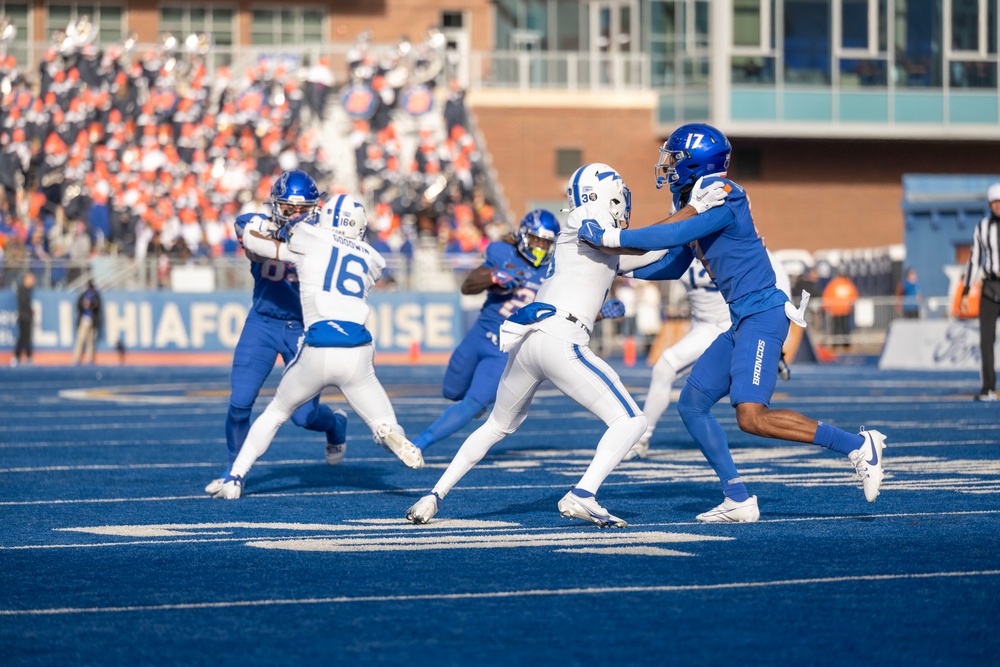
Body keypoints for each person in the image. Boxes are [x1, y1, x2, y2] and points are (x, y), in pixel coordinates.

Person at [577, 123, 887, 523]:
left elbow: (667, 235)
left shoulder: (723, 193)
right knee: (692, 404)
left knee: (751, 416)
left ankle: (859, 446)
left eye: (674, 158)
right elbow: (674, 263)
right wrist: (619, 271)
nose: (668, 166)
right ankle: (738, 498)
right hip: (742, 317)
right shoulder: (696, 198)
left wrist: (609, 240)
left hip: (762, 314)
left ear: (696, 160)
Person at [405, 163, 657, 528]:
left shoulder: (595, 242)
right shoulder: (592, 215)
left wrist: (696, 233)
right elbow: (640, 241)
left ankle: (434, 495)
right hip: (560, 338)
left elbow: (660, 253)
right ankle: (583, 494)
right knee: (632, 420)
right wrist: (689, 220)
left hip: (529, 341)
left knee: (495, 425)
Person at [211, 194, 424, 499]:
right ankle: (390, 434)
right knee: (384, 421)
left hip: (317, 342)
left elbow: (258, 243)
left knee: (275, 412)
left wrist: (278, 230)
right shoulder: (373, 257)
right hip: (358, 348)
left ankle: (236, 475)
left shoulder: (310, 238)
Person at [204, 171, 350, 496]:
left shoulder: (325, 237)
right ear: (276, 206)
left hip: (303, 329)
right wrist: (283, 238)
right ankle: (233, 471)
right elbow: (245, 226)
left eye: (302, 209)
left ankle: (336, 424)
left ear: (315, 208)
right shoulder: (260, 223)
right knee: (240, 402)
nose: (296, 215)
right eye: (288, 208)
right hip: (263, 323)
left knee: (303, 416)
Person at [410, 209, 561, 451]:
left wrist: (599, 313)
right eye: (537, 240)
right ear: (524, 235)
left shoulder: (551, 272)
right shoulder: (502, 252)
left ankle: (418, 444)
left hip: (506, 349)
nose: (541, 247)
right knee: (451, 391)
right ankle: (473, 402)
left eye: (547, 242)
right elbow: (468, 287)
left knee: (473, 402)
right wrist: (495, 276)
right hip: (479, 335)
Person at [961, 183, 1000, 402]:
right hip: (990, 287)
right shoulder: (982, 227)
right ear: (989, 204)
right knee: (986, 340)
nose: (998, 206)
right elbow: (974, 260)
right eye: (995, 202)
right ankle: (988, 387)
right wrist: (966, 291)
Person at [821, 273, 858, 349]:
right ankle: (846, 344)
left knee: (836, 327)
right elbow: (854, 295)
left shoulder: (834, 284)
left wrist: (826, 307)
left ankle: (836, 343)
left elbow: (827, 295)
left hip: (835, 310)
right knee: (845, 327)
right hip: (845, 309)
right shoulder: (848, 284)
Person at [72, 279, 102, 365]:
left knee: (91, 340)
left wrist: (91, 305)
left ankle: (90, 358)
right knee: (81, 339)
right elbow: (78, 306)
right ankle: (76, 358)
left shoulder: (96, 295)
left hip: (92, 320)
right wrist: (84, 305)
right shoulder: (84, 295)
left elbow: (98, 307)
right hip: (84, 319)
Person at [12, 272, 35, 367]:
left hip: (26, 316)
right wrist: (31, 310)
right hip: (24, 316)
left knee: (26, 337)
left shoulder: (27, 290)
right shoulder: (22, 290)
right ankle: (18, 356)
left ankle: (26, 356)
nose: (33, 281)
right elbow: (24, 303)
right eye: (31, 279)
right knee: (23, 337)